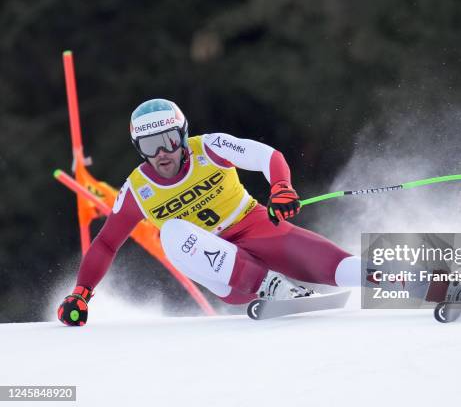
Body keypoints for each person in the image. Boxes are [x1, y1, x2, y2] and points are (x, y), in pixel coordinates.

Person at [57, 99, 362, 326]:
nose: (162, 153)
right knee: (172, 232)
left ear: (182, 136)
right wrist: (81, 292)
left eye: (169, 141)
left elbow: (267, 156)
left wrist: (281, 187)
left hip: (254, 228)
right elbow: (107, 243)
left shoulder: (210, 147)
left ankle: (402, 278)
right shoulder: (138, 189)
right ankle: (272, 287)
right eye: (150, 146)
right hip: (222, 271)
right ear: (139, 148)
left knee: (338, 265)